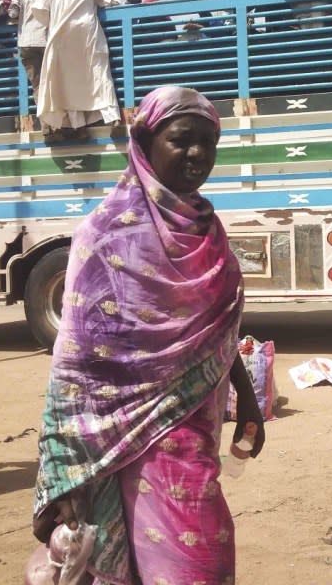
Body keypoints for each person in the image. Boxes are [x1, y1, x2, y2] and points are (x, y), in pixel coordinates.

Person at [33, 85, 265, 585]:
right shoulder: (103, 233)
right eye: (182, 140)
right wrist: (68, 466)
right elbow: (74, 364)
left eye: (209, 142)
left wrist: (246, 396)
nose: (198, 154)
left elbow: (215, 332)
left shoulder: (206, 228)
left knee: (199, 559)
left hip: (192, 432)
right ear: (145, 142)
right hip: (114, 439)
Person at [33, 0, 120, 138]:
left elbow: (39, 7)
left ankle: (77, 125)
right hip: (88, 31)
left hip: (61, 34)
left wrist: (52, 23)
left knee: (66, 81)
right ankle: (112, 116)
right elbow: (112, 1)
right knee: (98, 72)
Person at [9, 0, 55, 102]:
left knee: (37, 85)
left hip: (26, 42)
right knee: (53, 83)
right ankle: (57, 121)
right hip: (47, 40)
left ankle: (45, 123)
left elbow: (12, 13)